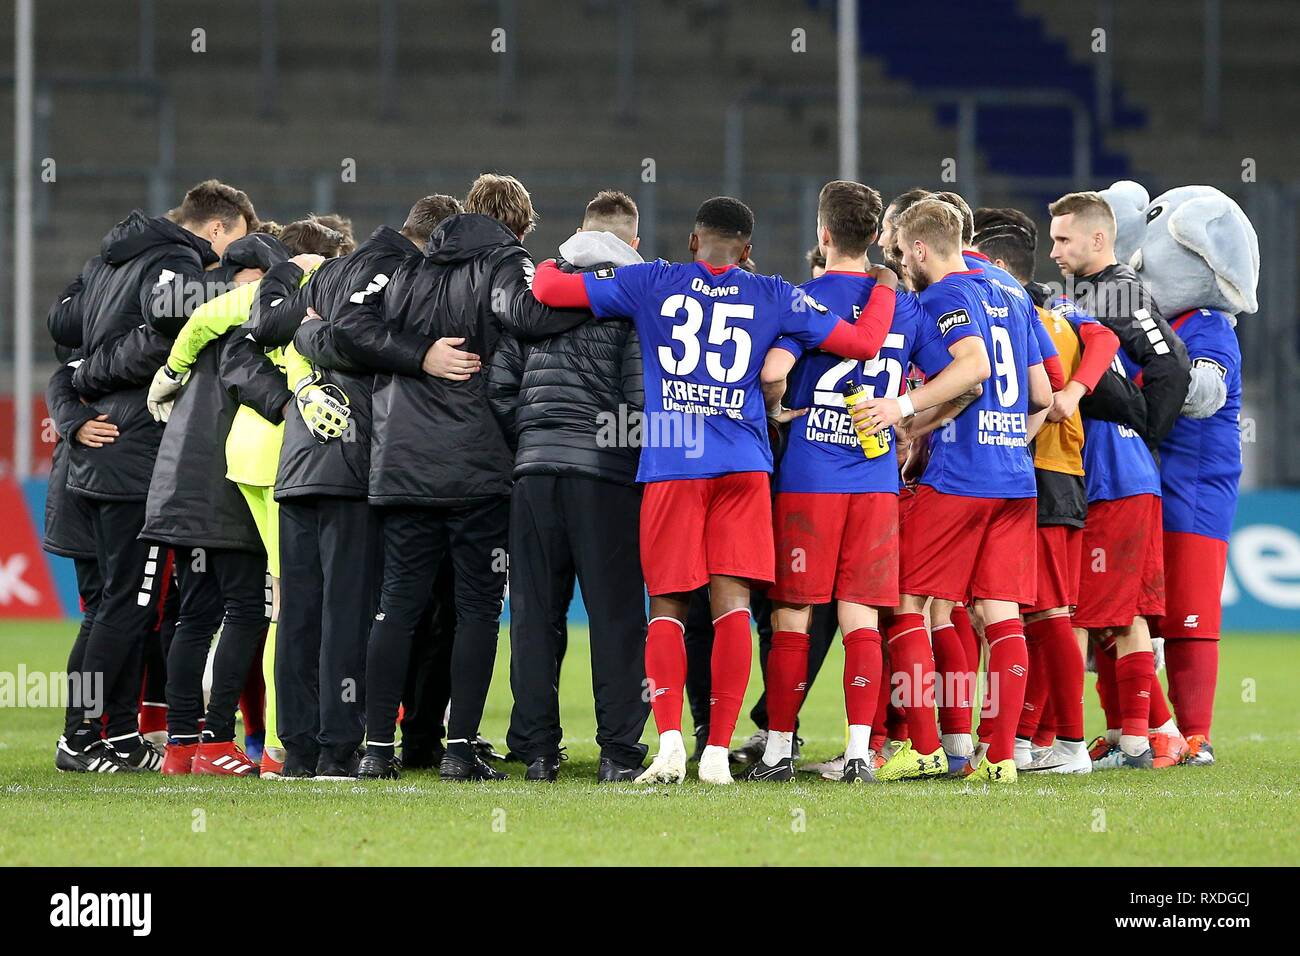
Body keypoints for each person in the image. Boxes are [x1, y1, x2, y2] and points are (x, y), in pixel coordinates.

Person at [529, 195, 901, 785]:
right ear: (748, 251)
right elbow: (861, 342)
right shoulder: (775, 293)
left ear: (693, 242)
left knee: (668, 606)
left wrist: (555, 260)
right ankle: (718, 754)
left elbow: (550, 292)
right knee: (731, 606)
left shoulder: (651, 280)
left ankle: (671, 745)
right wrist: (882, 282)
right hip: (742, 466)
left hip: (676, 464)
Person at [350, 173, 590, 781]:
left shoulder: (411, 268)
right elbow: (527, 314)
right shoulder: (506, 262)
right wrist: (599, 300)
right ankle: (459, 749)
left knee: (396, 606)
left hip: (401, 462)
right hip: (474, 465)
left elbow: (348, 328)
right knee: (478, 608)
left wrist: (415, 353)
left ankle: (377, 750)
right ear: (520, 225)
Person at [754, 181, 986, 783]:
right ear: (873, 237)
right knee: (861, 619)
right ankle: (862, 748)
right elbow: (971, 376)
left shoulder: (802, 299)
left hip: (809, 479)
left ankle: (779, 747)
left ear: (824, 235)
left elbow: (774, 374)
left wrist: (780, 408)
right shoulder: (906, 306)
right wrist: (909, 415)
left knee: (793, 617)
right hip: (876, 481)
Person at [51, 180, 257, 771]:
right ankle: (78, 737)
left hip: (104, 453)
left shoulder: (115, 259)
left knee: (120, 606)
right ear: (217, 227)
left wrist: (87, 374)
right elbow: (162, 336)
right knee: (127, 605)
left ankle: (115, 734)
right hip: (133, 452)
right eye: (233, 242)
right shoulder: (175, 260)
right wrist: (102, 372)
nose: (227, 259)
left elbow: (64, 326)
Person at [852, 197, 1052, 784]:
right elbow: (1042, 394)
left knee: (907, 601)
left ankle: (926, 747)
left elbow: (973, 369)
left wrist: (902, 408)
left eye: (900, 251)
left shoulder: (942, 295)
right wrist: (1011, 442)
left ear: (918, 247)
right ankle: (1002, 759)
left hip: (959, 478)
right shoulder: (1013, 292)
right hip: (1014, 478)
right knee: (1002, 614)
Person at [271, 195, 465, 778]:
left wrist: (310, 345)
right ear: (436, 242)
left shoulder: (329, 268)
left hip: (301, 458)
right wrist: (421, 356)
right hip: (356, 462)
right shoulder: (405, 272)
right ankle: (336, 746)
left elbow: (279, 328)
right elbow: (354, 334)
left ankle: (299, 749)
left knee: (298, 615)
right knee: (348, 614)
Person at [487, 189, 651, 783]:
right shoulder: (634, 299)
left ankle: (536, 752)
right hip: (604, 479)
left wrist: (533, 440)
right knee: (616, 616)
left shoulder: (537, 290)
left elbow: (500, 388)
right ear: (633, 242)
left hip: (533, 475)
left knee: (533, 614)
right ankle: (618, 753)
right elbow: (638, 397)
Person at [141, 228, 297, 776]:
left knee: (195, 616)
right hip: (224, 488)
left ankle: (182, 747)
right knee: (249, 612)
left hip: (180, 487)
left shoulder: (201, 323)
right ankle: (216, 740)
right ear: (249, 279)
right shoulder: (250, 318)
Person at [973, 207, 1120, 774]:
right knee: (1033, 613)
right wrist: (1077, 390)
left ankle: (1072, 744)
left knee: (1051, 613)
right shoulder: (1058, 313)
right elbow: (1103, 334)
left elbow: (1101, 339)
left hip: (1045, 471)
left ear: (1000, 266)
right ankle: (1031, 738)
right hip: (1041, 472)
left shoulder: (1034, 316)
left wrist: (1069, 395)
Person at [1047, 192, 1191, 769]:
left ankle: (1076, 742)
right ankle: (1146, 735)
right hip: (1104, 471)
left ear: (1098, 240)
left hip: (1114, 471)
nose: (1055, 250)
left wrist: (1143, 429)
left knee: (1088, 609)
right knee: (1116, 610)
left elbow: (1171, 363)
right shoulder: (1082, 296)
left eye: (1064, 240)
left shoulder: (1118, 290)